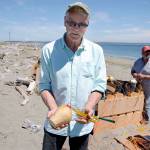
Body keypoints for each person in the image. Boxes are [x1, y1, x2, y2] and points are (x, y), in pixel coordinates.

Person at [39, 2, 106, 150]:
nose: (76, 28)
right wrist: (53, 108)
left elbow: (99, 85)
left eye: (81, 24)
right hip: (56, 121)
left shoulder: (97, 51)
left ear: (88, 24)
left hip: (82, 125)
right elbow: (44, 85)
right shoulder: (48, 50)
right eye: (72, 23)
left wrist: (89, 106)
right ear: (64, 22)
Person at [131, 46, 150, 124]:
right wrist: (134, 74)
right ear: (142, 53)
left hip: (149, 86)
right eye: (146, 52)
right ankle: (139, 116)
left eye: (149, 52)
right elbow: (132, 71)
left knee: (148, 102)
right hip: (139, 85)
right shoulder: (138, 61)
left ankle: (147, 119)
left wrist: (144, 76)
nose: (148, 53)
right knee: (140, 101)